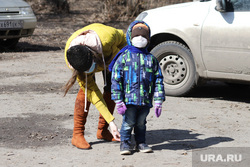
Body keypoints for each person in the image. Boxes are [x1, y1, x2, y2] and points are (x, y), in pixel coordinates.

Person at [63, 23, 127, 149]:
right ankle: (77, 134)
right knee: (87, 92)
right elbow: (95, 95)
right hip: (92, 58)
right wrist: (112, 121)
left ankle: (103, 131)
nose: (90, 72)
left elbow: (124, 40)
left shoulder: (107, 39)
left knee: (113, 88)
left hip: (108, 56)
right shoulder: (71, 58)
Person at [110, 20, 165, 155]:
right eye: (136, 36)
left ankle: (141, 142)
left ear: (148, 39)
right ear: (130, 37)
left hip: (145, 100)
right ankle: (125, 143)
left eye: (143, 36)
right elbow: (116, 79)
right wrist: (118, 100)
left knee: (141, 123)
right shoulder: (123, 57)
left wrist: (158, 101)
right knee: (128, 122)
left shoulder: (151, 59)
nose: (140, 39)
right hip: (128, 100)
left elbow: (158, 79)